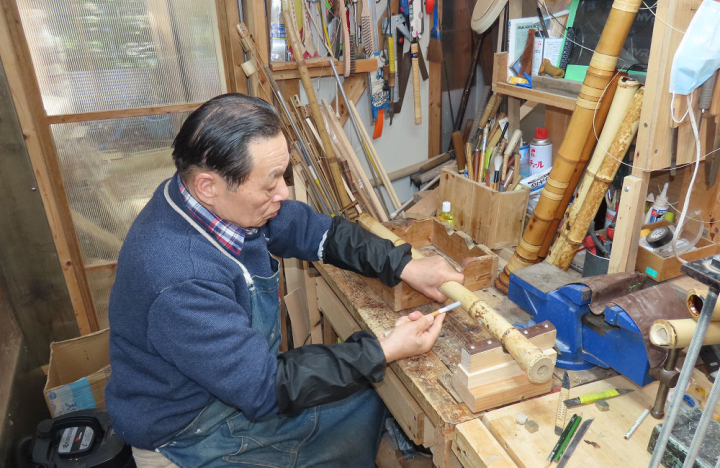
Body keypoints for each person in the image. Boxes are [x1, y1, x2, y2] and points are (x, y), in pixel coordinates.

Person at [106, 93, 465, 468]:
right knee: (363, 389)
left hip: (238, 387)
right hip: (189, 433)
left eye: (283, 174)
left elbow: (307, 227)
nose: (284, 192)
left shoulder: (209, 202)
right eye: (270, 183)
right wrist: (384, 349)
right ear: (207, 186)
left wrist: (403, 265)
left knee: (367, 399)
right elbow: (263, 387)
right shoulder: (179, 277)